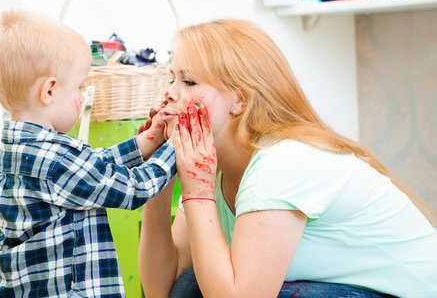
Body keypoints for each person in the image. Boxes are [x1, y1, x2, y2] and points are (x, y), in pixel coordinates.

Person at [138, 18, 437, 297]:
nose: (170, 94)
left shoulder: (283, 162)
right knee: (192, 283)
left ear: (239, 100)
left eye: (188, 82)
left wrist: (197, 191)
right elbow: (163, 288)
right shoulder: (209, 166)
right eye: (171, 79)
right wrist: (157, 185)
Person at [0, 10, 175, 298]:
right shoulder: (55, 160)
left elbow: (92, 168)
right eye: (79, 87)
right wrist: (175, 149)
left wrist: (146, 142)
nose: (83, 95)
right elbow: (131, 190)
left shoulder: (13, 153)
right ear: (49, 91)